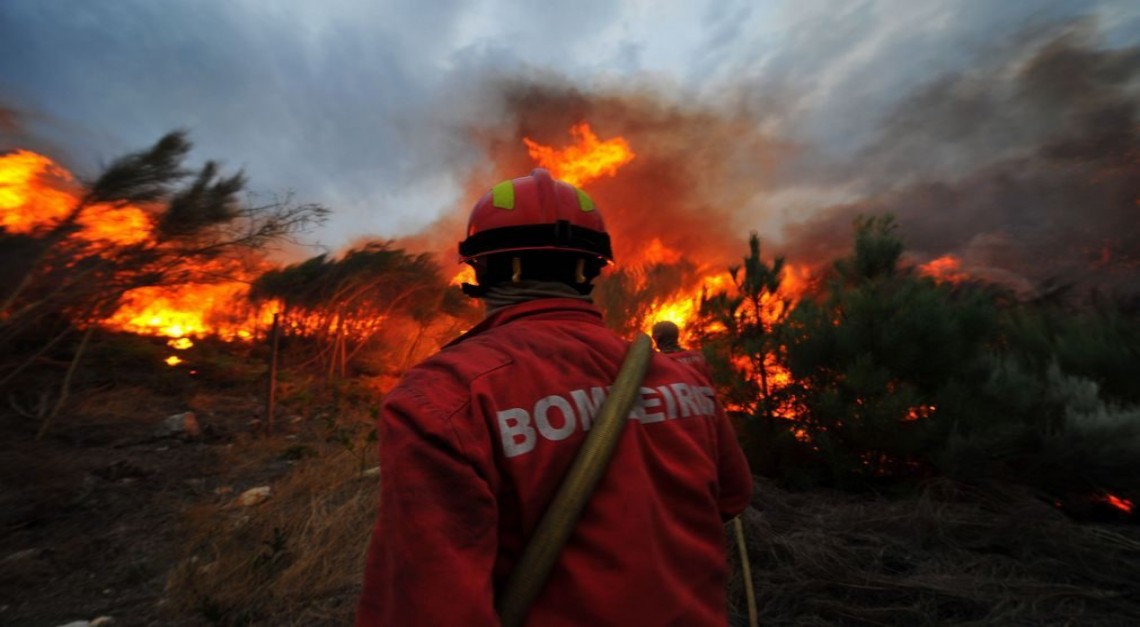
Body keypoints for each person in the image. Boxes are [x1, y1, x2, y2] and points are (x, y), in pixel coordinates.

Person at [356, 168, 752, 626]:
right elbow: (731, 498)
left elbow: (427, 606)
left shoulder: (445, 398)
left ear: (481, 268)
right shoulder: (684, 379)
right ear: (593, 269)